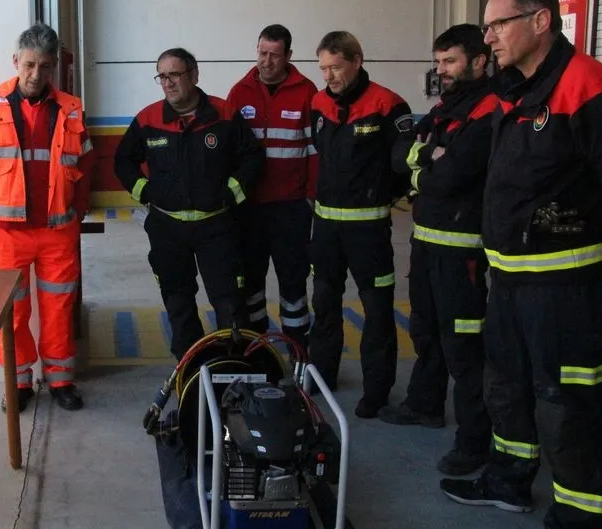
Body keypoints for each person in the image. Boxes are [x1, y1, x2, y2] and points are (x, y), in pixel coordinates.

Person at [440, 0, 602, 529]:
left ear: (541, 21)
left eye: (498, 24)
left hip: (566, 289)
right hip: (510, 280)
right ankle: (509, 479)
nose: (489, 37)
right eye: (486, 26)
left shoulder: (588, 85)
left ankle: (581, 512)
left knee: (565, 402)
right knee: (507, 388)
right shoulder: (512, 90)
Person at [379, 24, 495, 477]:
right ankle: (424, 405)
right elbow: (398, 153)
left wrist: (421, 168)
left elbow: (455, 177)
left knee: (464, 348)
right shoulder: (446, 107)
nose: (440, 70)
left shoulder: (488, 110)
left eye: (450, 61)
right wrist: (428, 156)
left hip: (462, 252)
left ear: (479, 61)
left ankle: (474, 441)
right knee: (425, 331)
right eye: (438, 61)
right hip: (426, 242)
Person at [0, 22, 93, 413]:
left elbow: (86, 165)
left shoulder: (71, 108)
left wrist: (77, 213)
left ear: (54, 66)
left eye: (45, 66)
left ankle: (60, 380)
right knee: (12, 311)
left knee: (59, 308)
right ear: (16, 60)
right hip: (7, 232)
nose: (37, 74)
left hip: (58, 230)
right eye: (30, 64)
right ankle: (17, 383)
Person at [114, 47, 265, 360]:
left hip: (217, 228)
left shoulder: (225, 114)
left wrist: (231, 193)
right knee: (178, 302)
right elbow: (123, 162)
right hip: (167, 229)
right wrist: (146, 192)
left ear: (194, 76)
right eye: (162, 76)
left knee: (229, 302)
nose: (168, 83)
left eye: (175, 75)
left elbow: (252, 157)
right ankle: (191, 367)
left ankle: (233, 368)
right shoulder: (147, 119)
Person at [309, 30, 414, 418]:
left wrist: (382, 195)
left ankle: (377, 392)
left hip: (369, 231)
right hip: (326, 229)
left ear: (357, 61)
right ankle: (322, 375)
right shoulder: (318, 103)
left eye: (336, 67)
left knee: (377, 312)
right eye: (323, 68)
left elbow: (403, 165)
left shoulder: (389, 105)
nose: (329, 76)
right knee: (324, 304)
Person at [226, 24, 318, 349]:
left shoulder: (307, 92)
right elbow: (230, 151)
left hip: (291, 208)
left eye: (274, 55)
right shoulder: (239, 92)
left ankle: (297, 350)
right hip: (249, 208)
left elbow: (315, 151)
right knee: (251, 284)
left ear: (288, 56)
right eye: (262, 53)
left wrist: (310, 198)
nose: (266, 62)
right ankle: (258, 350)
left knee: (293, 283)